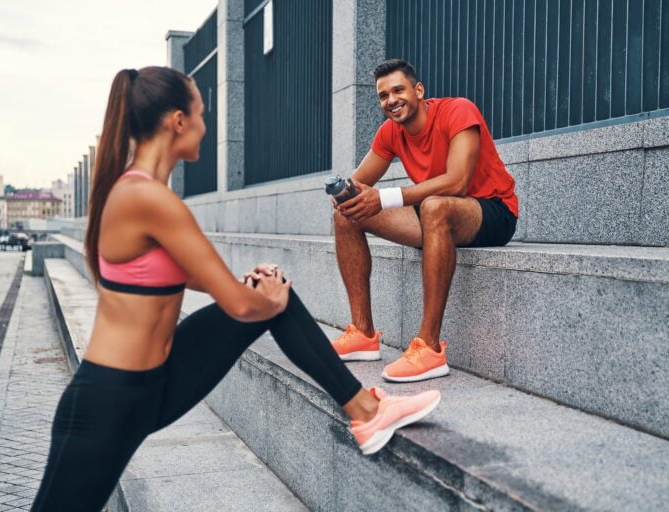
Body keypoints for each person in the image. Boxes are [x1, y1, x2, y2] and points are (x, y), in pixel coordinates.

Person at [31, 66, 440, 512]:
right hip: (109, 400)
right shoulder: (147, 197)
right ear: (178, 120)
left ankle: (366, 412)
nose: (206, 126)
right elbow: (238, 306)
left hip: (156, 382)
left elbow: (185, 277)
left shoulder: (147, 193)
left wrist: (256, 288)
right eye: (201, 114)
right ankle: (366, 411)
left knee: (274, 298)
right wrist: (258, 293)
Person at [331, 59, 519, 383]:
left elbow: (457, 182)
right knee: (346, 215)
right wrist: (345, 193)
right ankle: (362, 333)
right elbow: (360, 180)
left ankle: (429, 348)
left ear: (418, 90)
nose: (391, 100)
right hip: (435, 214)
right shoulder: (391, 131)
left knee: (435, 207)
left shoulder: (458, 111)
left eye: (398, 90)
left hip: (492, 211)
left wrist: (386, 197)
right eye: (383, 95)